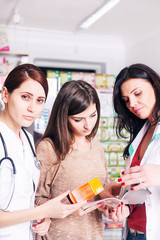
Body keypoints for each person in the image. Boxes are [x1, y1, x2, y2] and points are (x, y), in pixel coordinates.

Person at [0, 64, 86, 240]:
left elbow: (24, 199)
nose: (33, 108)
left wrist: (43, 217)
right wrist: (41, 210)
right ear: (5, 94)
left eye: (40, 100)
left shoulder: (27, 139)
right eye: (25, 97)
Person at [35, 80, 108, 240]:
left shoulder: (97, 147)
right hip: (58, 235)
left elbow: (100, 190)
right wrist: (62, 208)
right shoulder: (49, 148)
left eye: (93, 115)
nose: (88, 125)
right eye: (78, 119)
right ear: (64, 117)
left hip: (94, 235)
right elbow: (36, 198)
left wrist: (110, 204)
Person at [105, 63, 160, 240]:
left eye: (137, 93)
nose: (132, 104)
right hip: (134, 233)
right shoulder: (142, 131)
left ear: (155, 85)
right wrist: (125, 207)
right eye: (126, 100)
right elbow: (142, 192)